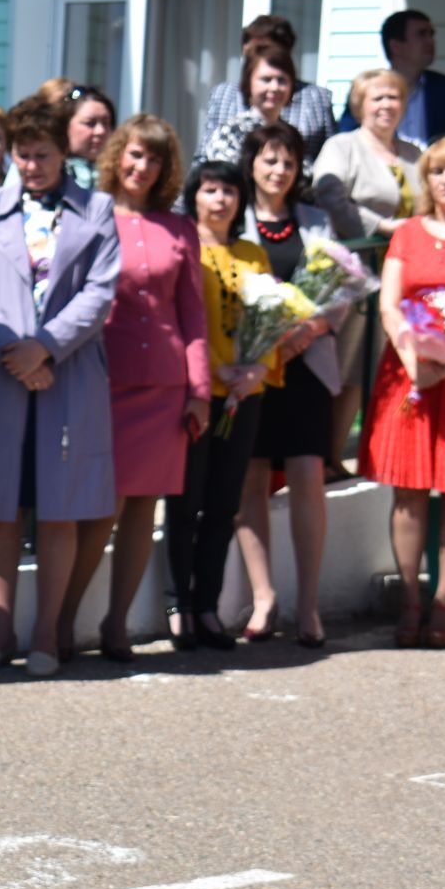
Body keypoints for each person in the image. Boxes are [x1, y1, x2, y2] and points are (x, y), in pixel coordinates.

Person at [0, 98, 120, 678]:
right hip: (0, 375)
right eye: (21, 155)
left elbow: (99, 293)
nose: (30, 166)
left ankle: (47, 631)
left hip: (65, 373)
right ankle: (0, 633)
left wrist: (44, 346)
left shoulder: (96, 210)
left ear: (63, 151)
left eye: (41, 155)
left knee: (59, 507)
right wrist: (12, 350)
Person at [61, 115, 209, 663]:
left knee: (144, 507)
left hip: (166, 384)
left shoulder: (180, 229)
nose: (141, 167)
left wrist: (199, 389)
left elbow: (192, 315)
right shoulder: (90, 217)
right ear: (116, 156)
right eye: (134, 155)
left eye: (154, 159)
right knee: (103, 507)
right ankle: (64, 618)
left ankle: (116, 624)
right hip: (106, 380)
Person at [359, 136, 445, 648]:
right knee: (407, 492)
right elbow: (390, 305)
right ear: (426, 179)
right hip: (410, 375)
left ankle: (444, 603)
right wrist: (416, 365)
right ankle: (410, 598)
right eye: (436, 172)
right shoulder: (407, 233)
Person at [165, 160, 274, 652]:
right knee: (185, 502)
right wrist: (208, 375)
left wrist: (257, 369)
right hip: (195, 395)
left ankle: (207, 605)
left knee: (223, 503)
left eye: (230, 191)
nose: (221, 199)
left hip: (243, 397)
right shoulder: (184, 248)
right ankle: (178, 605)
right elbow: (178, 322)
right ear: (195, 196)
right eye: (210, 190)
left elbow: (271, 320)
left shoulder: (253, 254)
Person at [234, 123, 337, 648]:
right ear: (252, 163)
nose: (279, 171)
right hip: (253, 365)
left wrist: (308, 329)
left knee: (307, 478)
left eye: (289, 163)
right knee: (250, 480)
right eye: (270, 160)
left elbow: (340, 291)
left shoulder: (317, 221)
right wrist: (269, 341)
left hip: (306, 366)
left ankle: (310, 605)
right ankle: (264, 596)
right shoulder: (235, 218)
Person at [314, 69, 424, 476]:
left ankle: (364, 452)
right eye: (377, 98)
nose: (385, 105)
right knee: (344, 365)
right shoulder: (342, 147)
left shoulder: (414, 154)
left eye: (393, 98)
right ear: (360, 103)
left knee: (380, 365)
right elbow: (329, 196)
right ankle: (324, 455)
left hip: (405, 278)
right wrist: (380, 227)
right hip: (356, 276)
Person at [197, 15, 337, 161]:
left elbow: (329, 155)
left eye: (262, 49)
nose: (274, 87)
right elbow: (204, 155)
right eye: (248, 49)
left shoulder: (315, 98)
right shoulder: (225, 102)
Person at [339, 11, 445, 147]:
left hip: (438, 169)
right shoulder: (369, 89)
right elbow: (347, 137)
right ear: (396, 46)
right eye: (422, 34)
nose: (430, 41)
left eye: (431, 34)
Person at [202, 44, 304, 165]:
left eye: (282, 80)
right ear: (248, 83)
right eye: (266, 79)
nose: (274, 87)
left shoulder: (291, 134)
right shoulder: (232, 132)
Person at [58, 84, 117, 188]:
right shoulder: (49, 174)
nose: (100, 131)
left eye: (106, 123)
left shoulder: (122, 177)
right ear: (65, 126)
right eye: (90, 123)